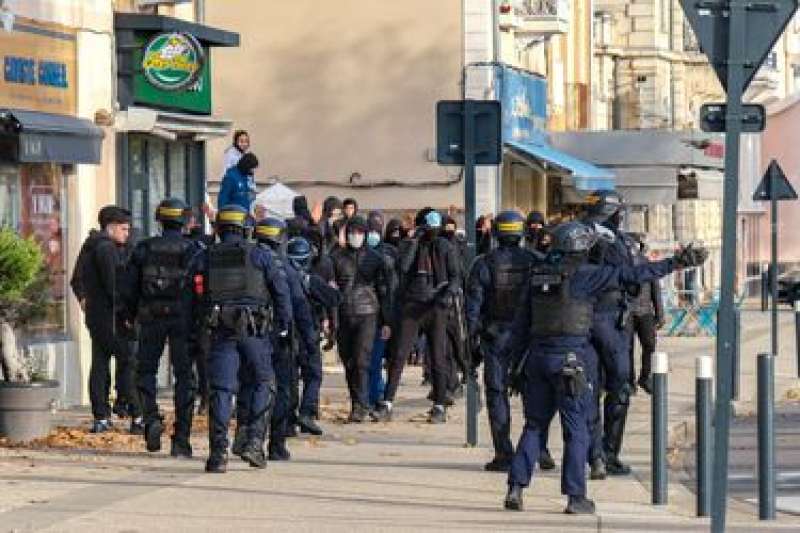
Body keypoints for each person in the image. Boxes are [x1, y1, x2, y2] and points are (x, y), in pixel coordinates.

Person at [502, 221, 708, 515]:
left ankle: (516, 487)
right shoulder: (586, 276)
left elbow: (521, 323)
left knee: (534, 426)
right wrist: (677, 262)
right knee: (576, 430)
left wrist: (514, 366)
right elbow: (635, 273)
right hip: (570, 361)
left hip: (536, 359)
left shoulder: (537, 275)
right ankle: (575, 497)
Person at [201, 205, 292, 472]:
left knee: (221, 390)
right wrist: (283, 327)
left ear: (218, 228)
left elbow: (192, 294)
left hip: (221, 331)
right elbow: (281, 293)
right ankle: (254, 441)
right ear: (246, 227)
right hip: (255, 332)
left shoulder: (207, 256)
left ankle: (218, 454)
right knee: (265, 382)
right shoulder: (261, 256)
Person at [466, 211, 553, 472]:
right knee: (535, 395)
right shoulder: (538, 262)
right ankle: (540, 449)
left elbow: (472, 309)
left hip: (496, 338)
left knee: (497, 394)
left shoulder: (484, 264)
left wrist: (471, 341)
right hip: (530, 337)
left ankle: (504, 453)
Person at [123, 199, 201, 457]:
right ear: (185, 221)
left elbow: (129, 288)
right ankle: (181, 439)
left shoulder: (144, 248)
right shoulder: (194, 250)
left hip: (150, 317)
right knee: (185, 378)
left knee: (145, 371)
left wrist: (128, 315)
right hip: (183, 319)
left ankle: (151, 418)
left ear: (159, 219)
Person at [372, 208, 460, 424]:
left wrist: (446, 295)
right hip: (412, 306)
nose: (430, 232)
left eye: (434, 229)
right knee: (399, 355)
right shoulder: (410, 245)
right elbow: (402, 268)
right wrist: (414, 242)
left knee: (438, 356)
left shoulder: (445, 247)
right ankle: (387, 403)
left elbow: (456, 277)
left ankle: (439, 404)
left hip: (436, 306)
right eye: (427, 228)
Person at [245, 217, 320, 460]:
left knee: (251, 385)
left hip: (251, 333)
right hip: (280, 337)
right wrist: (310, 341)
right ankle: (276, 444)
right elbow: (300, 309)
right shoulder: (286, 269)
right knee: (282, 389)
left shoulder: (248, 260)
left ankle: (247, 434)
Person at [583, 190, 640, 478]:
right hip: (609, 321)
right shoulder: (616, 243)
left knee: (588, 390)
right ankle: (609, 453)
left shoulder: (576, 234)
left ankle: (594, 455)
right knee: (619, 388)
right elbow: (633, 282)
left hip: (578, 320)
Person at [73, 206, 141, 434]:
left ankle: (102, 415)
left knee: (101, 363)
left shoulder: (93, 245)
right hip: (112, 318)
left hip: (97, 317)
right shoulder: (106, 249)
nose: (127, 233)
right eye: (123, 229)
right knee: (129, 362)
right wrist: (126, 315)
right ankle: (136, 414)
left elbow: (78, 279)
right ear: (110, 228)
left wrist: (85, 299)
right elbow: (115, 287)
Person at [330, 215, 393, 422]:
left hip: (368, 313)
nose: (355, 236)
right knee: (349, 362)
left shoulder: (375, 259)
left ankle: (362, 404)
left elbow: (384, 291)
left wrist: (386, 321)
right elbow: (330, 289)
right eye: (351, 232)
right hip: (344, 314)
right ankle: (356, 402)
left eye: (359, 232)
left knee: (361, 361)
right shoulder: (337, 257)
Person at [287, 237, 341, 428]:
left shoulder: (279, 277)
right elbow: (335, 298)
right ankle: (307, 412)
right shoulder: (310, 280)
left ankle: (287, 418)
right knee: (313, 374)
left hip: (285, 334)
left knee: (289, 377)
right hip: (307, 332)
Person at [365, 211, 399, 407]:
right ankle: (368, 397)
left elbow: (392, 290)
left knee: (377, 361)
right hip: (362, 315)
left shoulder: (389, 254)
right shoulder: (357, 254)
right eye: (371, 229)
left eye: (377, 229)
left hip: (382, 316)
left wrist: (389, 321)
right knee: (365, 362)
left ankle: (377, 395)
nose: (373, 234)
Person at [628, 234, 665, 394]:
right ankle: (629, 381)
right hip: (627, 312)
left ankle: (644, 376)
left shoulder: (648, 265)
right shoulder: (623, 266)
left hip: (645, 312)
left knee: (649, 345)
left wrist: (660, 313)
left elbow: (656, 291)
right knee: (626, 348)